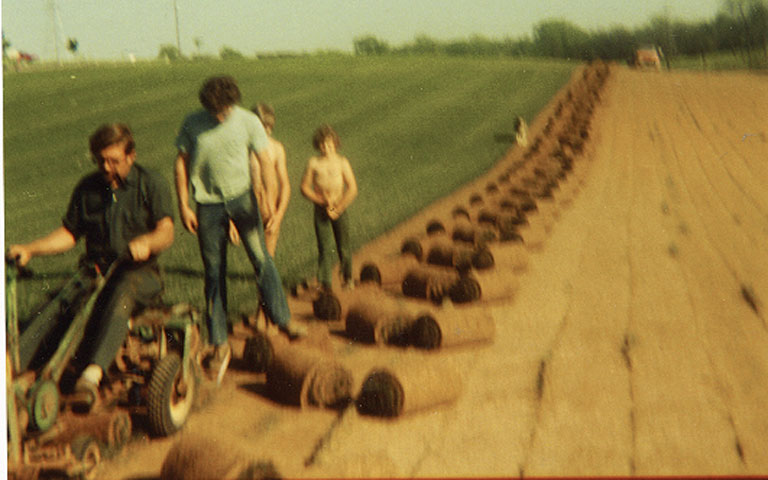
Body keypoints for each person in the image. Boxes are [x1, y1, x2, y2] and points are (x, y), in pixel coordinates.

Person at [8, 123, 175, 409]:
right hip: (96, 269)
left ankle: (91, 376)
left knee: (122, 294)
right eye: (101, 161)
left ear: (131, 156)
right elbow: (70, 234)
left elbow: (167, 231)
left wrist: (147, 242)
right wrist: (30, 249)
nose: (107, 168)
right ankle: (12, 364)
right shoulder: (88, 188)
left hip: (139, 273)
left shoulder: (151, 183)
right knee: (60, 301)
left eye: (114, 161)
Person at [174, 76, 305, 384]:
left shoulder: (248, 121)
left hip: (243, 200)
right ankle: (219, 343)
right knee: (214, 273)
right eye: (216, 111)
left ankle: (283, 320)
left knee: (261, 259)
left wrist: (269, 201)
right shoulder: (192, 124)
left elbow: (264, 160)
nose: (222, 115)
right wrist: (183, 205)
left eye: (226, 109)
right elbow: (180, 163)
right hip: (207, 206)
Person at [300, 124, 358, 291]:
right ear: (318, 145)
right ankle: (325, 283)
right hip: (321, 209)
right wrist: (321, 201)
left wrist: (338, 208)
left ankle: (348, 279)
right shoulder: (314, 163)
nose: (327, 147)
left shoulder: (342, 162)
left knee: (344, 246)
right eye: (323, 144)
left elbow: (352, 188)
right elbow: (304, 187)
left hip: (339, 208)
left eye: (330, 143)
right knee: (324, 248)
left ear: (335, 143)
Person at [228, 103, 290, 257]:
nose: (266, 130)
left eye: (269, 126)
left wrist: (278, 215)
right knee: (255, 255)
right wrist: (230, 221)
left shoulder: (277, 149)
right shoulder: (242, 149)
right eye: (262, 126)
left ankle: (263, 279)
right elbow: (230, 183)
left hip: (271, 209)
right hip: (247, 207)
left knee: (268, 257)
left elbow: (285, 185)